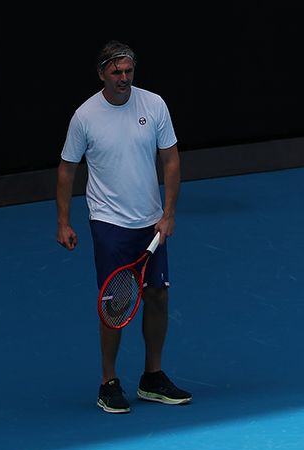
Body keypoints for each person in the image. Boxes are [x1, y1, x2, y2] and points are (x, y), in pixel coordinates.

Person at [55, 40, 191, 414]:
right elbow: (68, 168)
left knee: (158, 295)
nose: (124, 78)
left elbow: (172, 161)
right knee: (115, 303)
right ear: (102, 73)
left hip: (150, 221)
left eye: (129, 71)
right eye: (116, 72)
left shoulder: (154, 105)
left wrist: (168, 214)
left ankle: (152, 376)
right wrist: (63, 221)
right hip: (109, 223)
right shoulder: (85, 116)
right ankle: (109, 382)